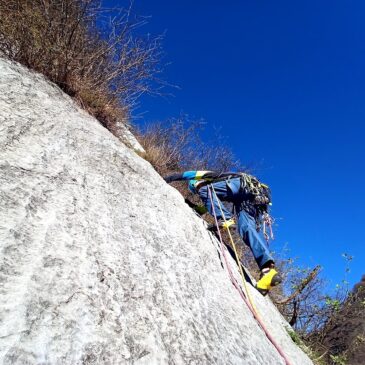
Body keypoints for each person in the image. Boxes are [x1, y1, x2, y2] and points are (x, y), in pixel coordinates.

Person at [164, 170, 282, 295]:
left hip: (241, 184)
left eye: (197, 187)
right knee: (246, 228)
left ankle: (225, 218)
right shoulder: (216, 191)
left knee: (206, 191)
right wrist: (194, 207)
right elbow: (208, 205)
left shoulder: (212, 178)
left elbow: (189, 174)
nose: (199, 189)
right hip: (253, 197)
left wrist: (167, 178)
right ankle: (268, 271)